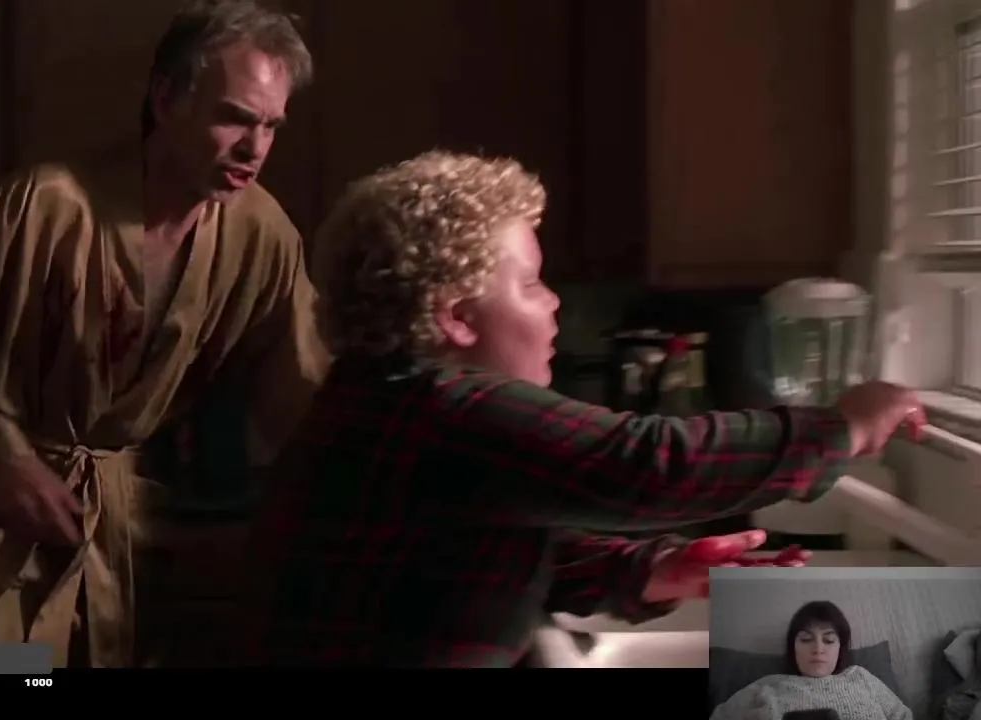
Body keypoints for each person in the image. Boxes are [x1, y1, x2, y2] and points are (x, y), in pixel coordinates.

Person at [239, 150, 927, 668]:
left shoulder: (372, 402)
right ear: (457, 317)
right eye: (531, 284)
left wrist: (649, 572)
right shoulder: (447, 407)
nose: (553, 303)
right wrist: (843, 426)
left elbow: (473, 558)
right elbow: (650, 463)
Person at [0, 0, 329, 668]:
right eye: (233, 118)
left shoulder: (263, 233)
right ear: (165, 99)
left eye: (271, 126)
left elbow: (301, 385)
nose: (254, 149)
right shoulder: (47, 205)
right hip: (4, 523)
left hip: (130, 532)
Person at [710, 601, 912, 720]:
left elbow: (903, 716)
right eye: (806, 639)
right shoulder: (767, 687)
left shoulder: (861, 678)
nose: (817, 649)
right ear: (793, 647)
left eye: (829, 640)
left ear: (840, 648)